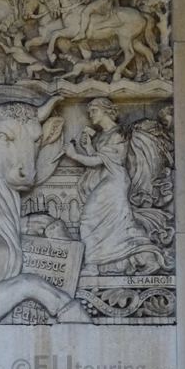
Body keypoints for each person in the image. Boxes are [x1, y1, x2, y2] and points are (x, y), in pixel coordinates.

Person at [64, 98, 164, 275]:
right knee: (117, 224)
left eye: (94, 110)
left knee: (89, 218)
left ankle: (93, 264)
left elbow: (98, 161)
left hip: (114, 182)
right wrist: (88, 148)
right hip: (107, 179)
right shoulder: (103, 136)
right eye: (89, 112)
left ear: (106, 111)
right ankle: (142, 258)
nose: (91, 115)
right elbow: (100, 161)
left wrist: (74, 155)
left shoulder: (118, 135)